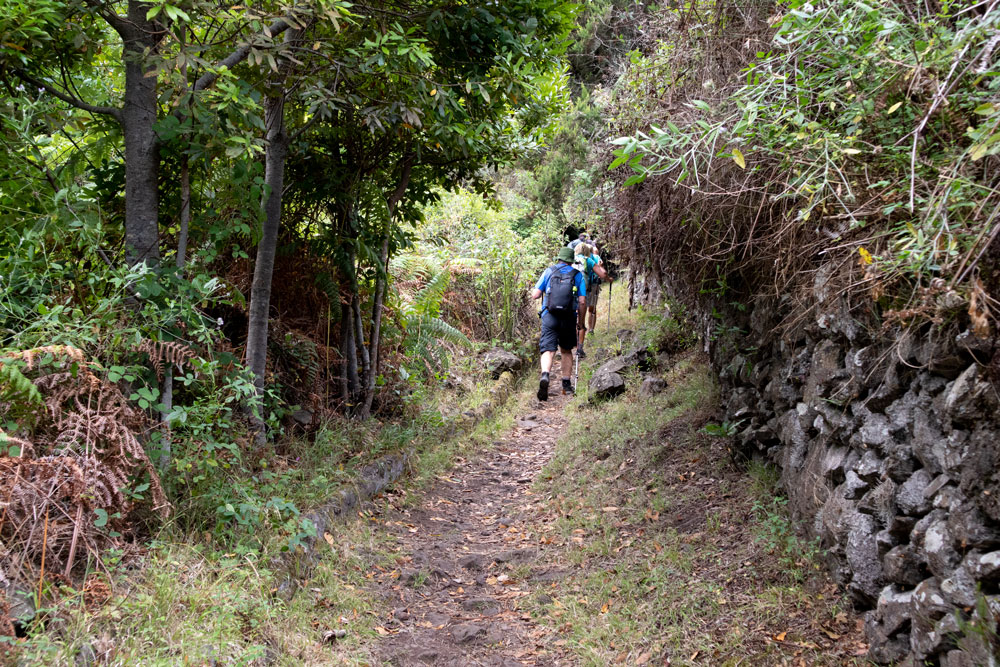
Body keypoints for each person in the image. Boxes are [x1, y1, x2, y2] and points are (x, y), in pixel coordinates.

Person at [530, 247, 586, 400]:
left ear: (559, 258)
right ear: (570, 261)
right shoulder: (577, 275)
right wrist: (580, 322)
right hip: (568, 317)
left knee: (548, 349)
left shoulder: (549, 271)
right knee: (566, 350)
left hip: (549, 316)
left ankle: (545, 375)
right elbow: (582, 301)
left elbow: (535, 295)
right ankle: (566, 385)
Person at [574, 243, 612, 358]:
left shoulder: (571, 259)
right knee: (581, 320)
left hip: (569, 292)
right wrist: (600, 267)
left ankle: (564, 347)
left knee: (571, 318)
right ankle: (580, 348)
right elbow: (603, 274)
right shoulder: (588, 260)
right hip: (583, 292)